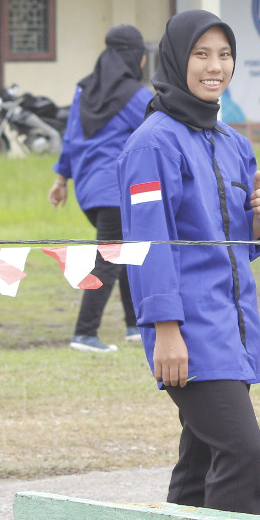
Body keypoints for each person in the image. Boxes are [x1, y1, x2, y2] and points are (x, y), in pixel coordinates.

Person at [118, 10, 260, 520]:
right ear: (175, 60)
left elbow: (239, 249)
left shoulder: (233, 143)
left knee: (200, 466)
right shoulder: (151, 144)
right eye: (202, 54)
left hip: (231, 327)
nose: (216, 67)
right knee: (241, 453)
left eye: (225, 54)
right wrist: (164, 328)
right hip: (188, 331)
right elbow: (149, 242)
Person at [50, 25, 154, 353]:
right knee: (111, 258)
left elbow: (69, 139)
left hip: (89, 190)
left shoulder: (83, 91)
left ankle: (133, 325)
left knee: (126, 253)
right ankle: (84, 333)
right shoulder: (137, 96)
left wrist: (60, 180)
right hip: (118, 191)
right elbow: (161, 130)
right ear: (136, 58)